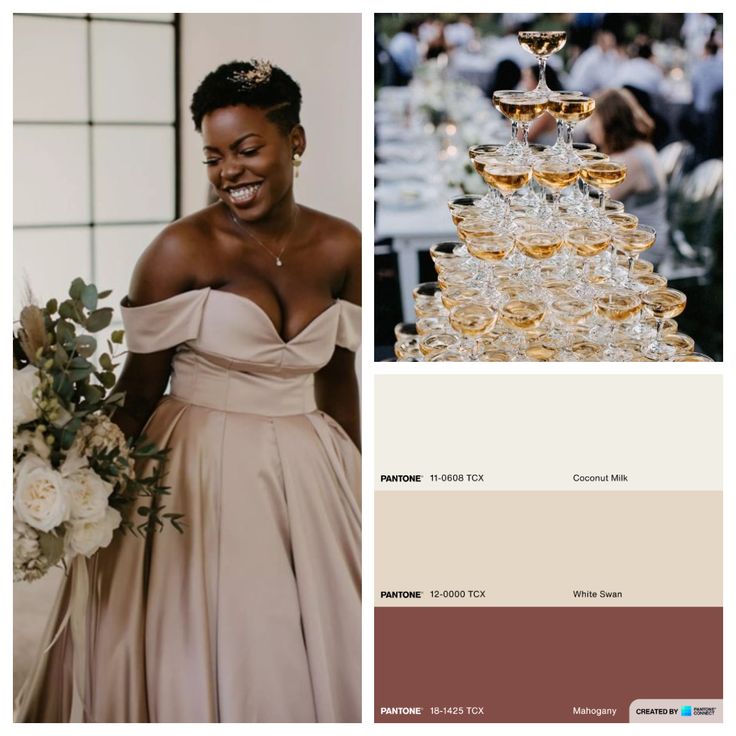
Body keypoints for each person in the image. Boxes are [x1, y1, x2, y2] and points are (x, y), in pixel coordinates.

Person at [15, 59, 361, 723]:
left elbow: (338, 377)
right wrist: (63, 461)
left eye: (248, 149)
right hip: (194, 469)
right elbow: (139, 392)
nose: (230, 170)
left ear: (297, 141)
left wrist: (363, 474)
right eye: (214, 156)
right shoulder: (178, 252)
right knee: (219, 637)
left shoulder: (343, 244)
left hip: (313, 464)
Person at [587, 87, 670, 264]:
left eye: (594, 120)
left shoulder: (630, 162)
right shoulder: (641, 147)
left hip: (639, 251)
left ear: (610, 122)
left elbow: (590, 207)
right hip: (637, 241)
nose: (589, 126)